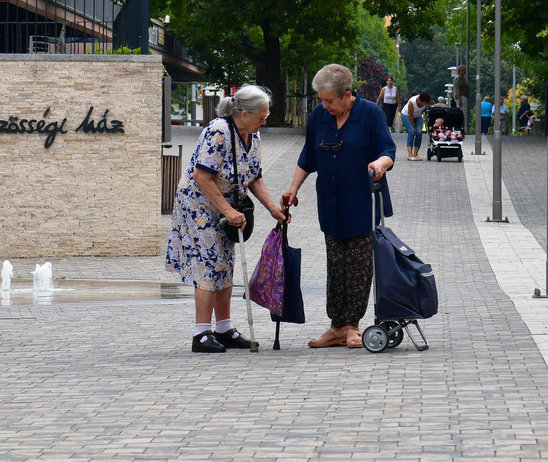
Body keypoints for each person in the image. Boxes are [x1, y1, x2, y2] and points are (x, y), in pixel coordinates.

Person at [280, 64, 395, 349]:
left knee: (358, 267)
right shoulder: (320, 116)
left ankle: (353, 326)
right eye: (322, 100)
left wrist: (379, 164)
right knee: (335, 265)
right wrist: (293, 188)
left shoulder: (370, 113)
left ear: (347, 95)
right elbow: (308, 155)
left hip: (361, 202)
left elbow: (388, 151)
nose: (324, 105)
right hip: (330, 200)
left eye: (329, 100)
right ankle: (336, 326)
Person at [165, 85, 287, 353]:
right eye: (262, 116)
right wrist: (228, 211)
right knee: (208, 264)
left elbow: (254, 176)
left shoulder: (253, 135)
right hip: (199, 206)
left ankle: (224, 327)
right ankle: (201, 333)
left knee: (225, 263)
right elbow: (202, 175)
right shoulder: (218, 131)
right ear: (244, 114)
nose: (265, 121)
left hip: (226, 206)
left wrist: (272, 209)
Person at [400, 91, 431, 161]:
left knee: (419, 132)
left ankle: (416, 154)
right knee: (412, 132)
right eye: (424, 103)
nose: (424, 105)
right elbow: (411, 116)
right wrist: (414, 127)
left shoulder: (425, 101)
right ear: (420, 100)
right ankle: (410, 154)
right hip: (407, 116)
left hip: (417, 116)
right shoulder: (412, 102)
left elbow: (430, 105)